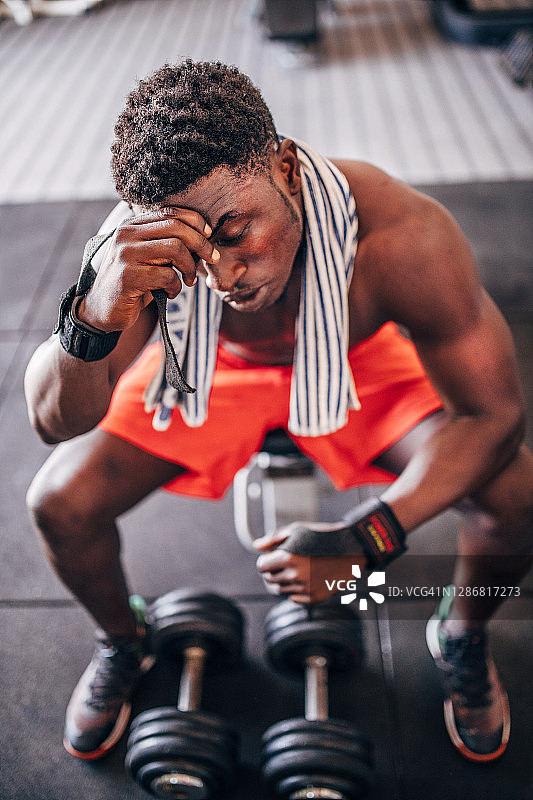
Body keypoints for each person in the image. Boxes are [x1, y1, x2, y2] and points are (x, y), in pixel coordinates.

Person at [24, 59, 533, 766]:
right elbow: (52, 423)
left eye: (234, 230)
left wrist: (372, 535)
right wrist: (91, 318)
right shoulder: (136, 252)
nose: (221, 276)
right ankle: (123, 642)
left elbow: (494, 415)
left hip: (356, 364)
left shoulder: (400, 235)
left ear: (285, 168)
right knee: (58, 502)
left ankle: (461, 635)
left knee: (517, 493)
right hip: (208, 369)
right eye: (196, 251)